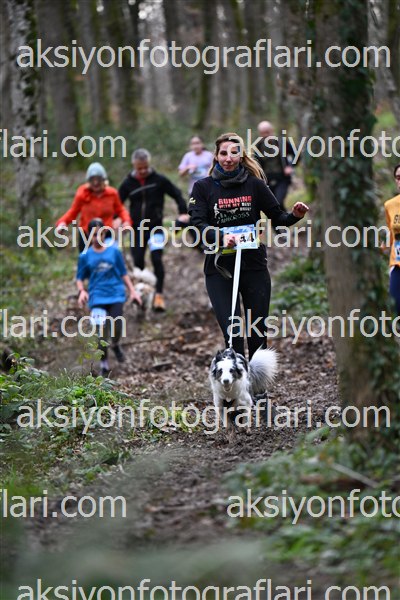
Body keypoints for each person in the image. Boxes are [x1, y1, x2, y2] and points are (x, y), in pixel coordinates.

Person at [189, 131, 309, 360]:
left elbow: (278, 218)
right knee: (232, 333)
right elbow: (198, 223)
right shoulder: (203, 187)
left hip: (253, 265)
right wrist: (220, 235)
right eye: (223, 153)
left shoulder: (255, 185)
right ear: (216, 156)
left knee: (257, 333)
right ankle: (238, 380)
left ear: (241, 156)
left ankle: (259, 382)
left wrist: (295, 215)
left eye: (234, 153)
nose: (228, 158)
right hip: (219, 268)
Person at [119, 149, 189, 311]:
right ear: (134, 165)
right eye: (139, 168)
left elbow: (176, 193)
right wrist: (119, 219)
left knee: (157, 259)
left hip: (155, 227)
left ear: (149, 164)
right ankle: (142, 295)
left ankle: (159, 295)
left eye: (145, 167)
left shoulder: (159, 180)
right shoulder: (128, 183)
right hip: (137, 230)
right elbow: (117, 203)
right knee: (138, 263)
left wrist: (183, 212)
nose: (143, 171)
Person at [76, 218, 142, 376]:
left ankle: (116, 344)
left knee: (117, 326)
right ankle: (104, 363)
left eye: (100, 233)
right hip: (97, 296)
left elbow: (123, 272)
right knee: (101, 332)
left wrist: (132, 291)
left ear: (105, 232)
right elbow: (79, 277)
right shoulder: (85, 256)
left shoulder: (114, 251)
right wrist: (82, 291)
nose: (97, 237)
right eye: (94, 234)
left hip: (115, 293)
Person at [56, 162, 131, 252]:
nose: (95, 183)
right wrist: (62, 222)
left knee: (108, 258)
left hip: (106, 234)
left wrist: (126, 221)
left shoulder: (112, 194)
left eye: (98, 179)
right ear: (88, 181)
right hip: (86, 235)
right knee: (86, 259)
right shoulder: (82, 193)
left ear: (103, 180)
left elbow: (121, 210)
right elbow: (73, 212)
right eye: (92, 180)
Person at [254, 121, 297, 211]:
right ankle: (282, 219)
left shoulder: (282, 143)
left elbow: (296, 155)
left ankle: (285, 218)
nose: (265, 135)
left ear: (272, 131)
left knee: (278, 201)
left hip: (282, 178)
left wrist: (290, 166)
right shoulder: (258, 146)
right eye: (263, 133)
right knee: (271, 205)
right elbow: (256, 163)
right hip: (267, 180)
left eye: (267, 132)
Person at [382, 164, 400, 315]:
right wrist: (382, 246)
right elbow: (391, 232)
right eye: (398, 178)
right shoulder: (390, 205)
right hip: (397, 263)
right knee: (395, 307)